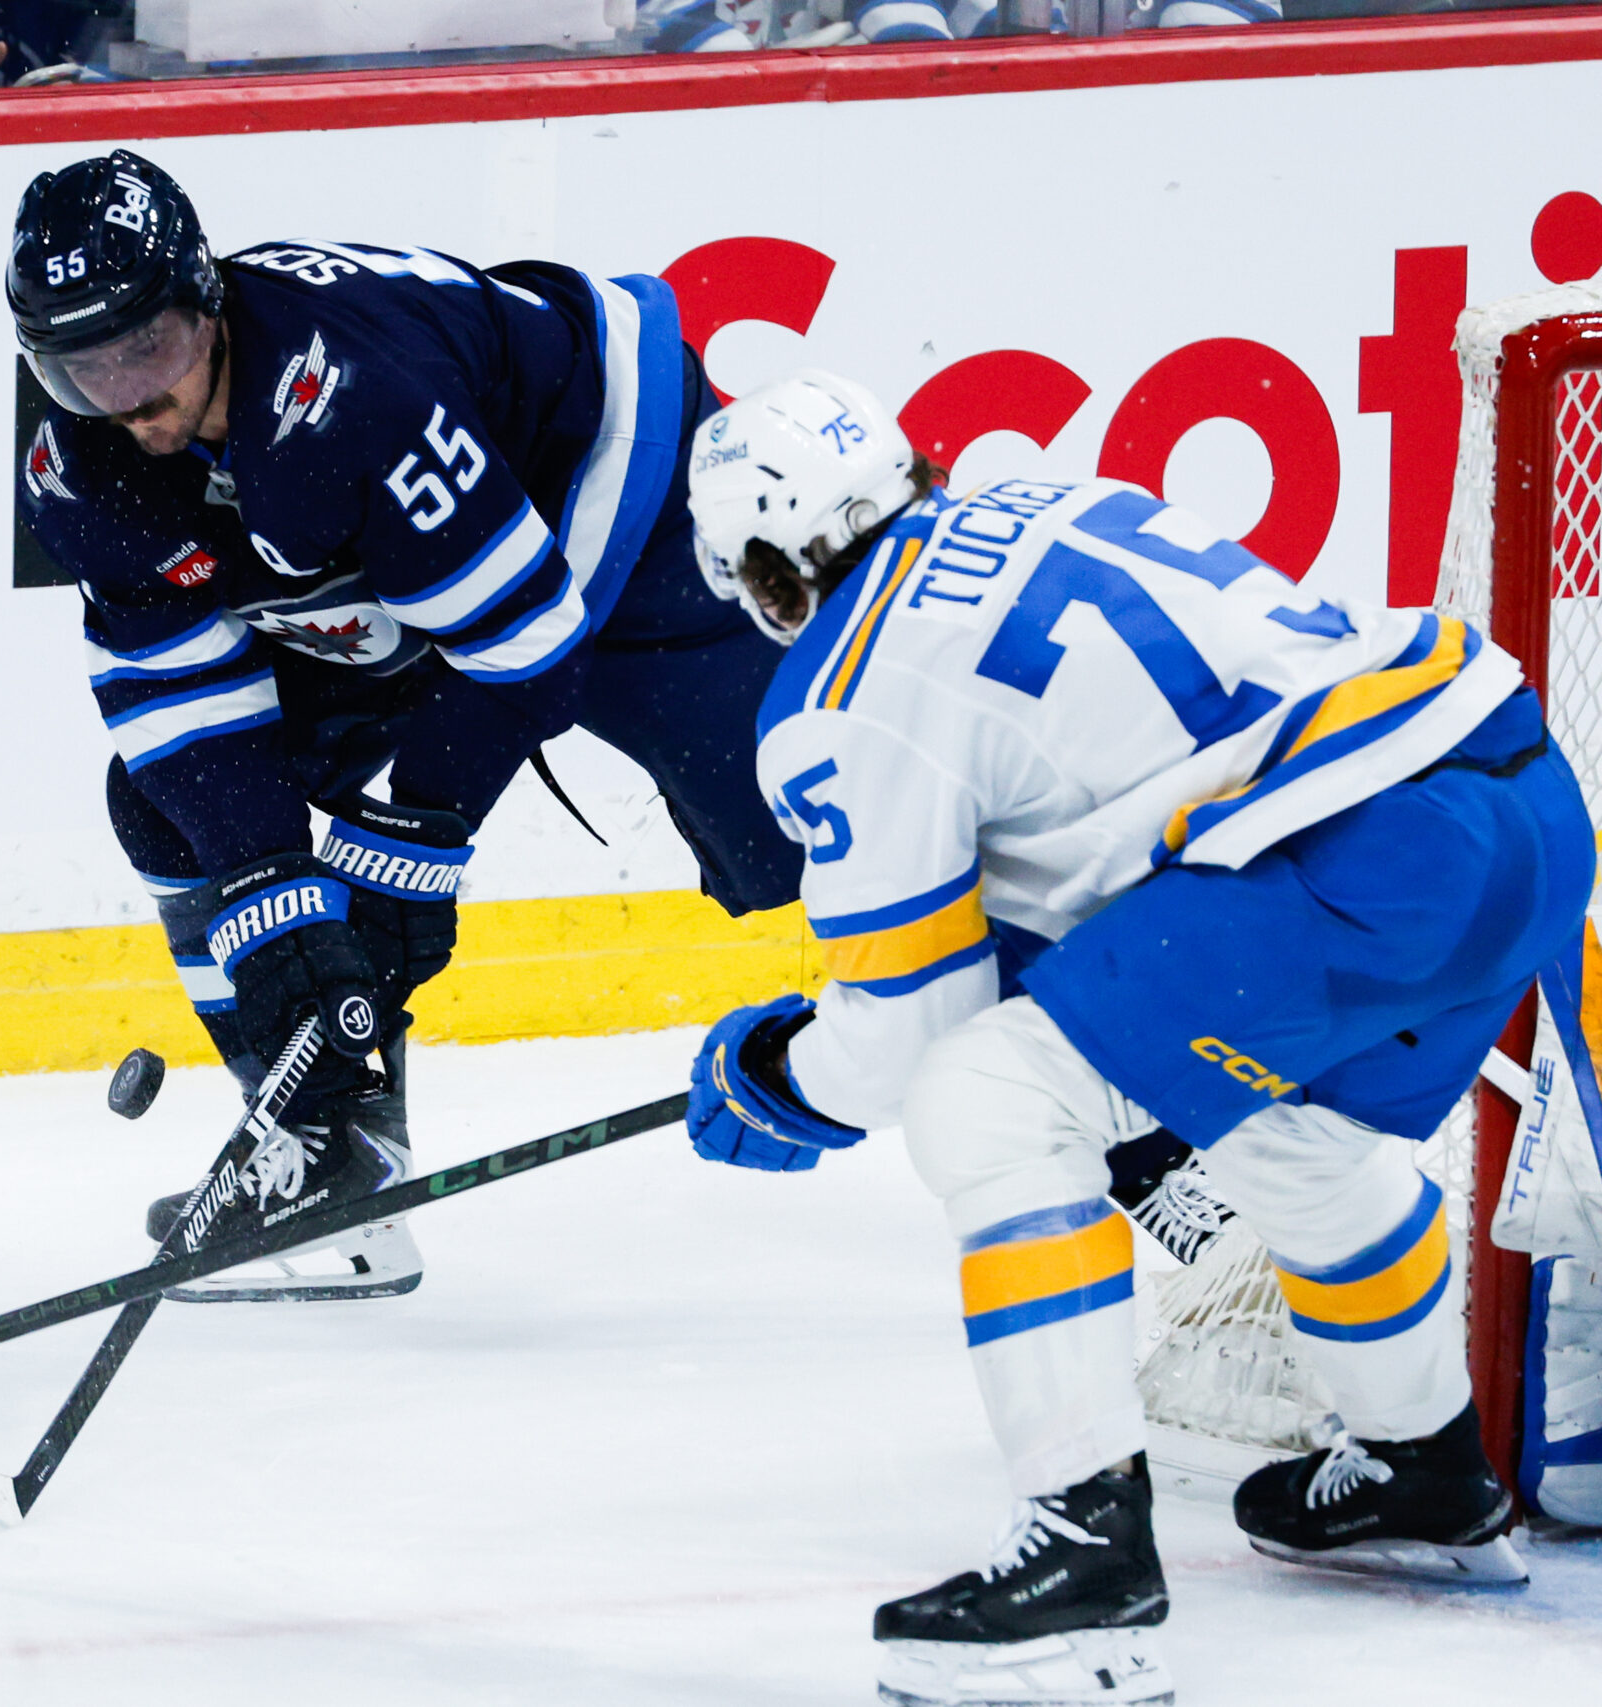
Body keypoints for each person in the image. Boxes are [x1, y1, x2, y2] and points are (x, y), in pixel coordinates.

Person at [680, 370, 1591, 1705]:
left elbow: (914, 1033)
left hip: (1357, 861)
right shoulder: (1053, 491)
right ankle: (1427, 1469)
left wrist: (777, 1076)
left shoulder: (841, 690)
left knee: (988, 1100)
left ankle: (1082, 1561)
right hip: (1520, 801)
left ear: (764, 570)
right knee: (1295, 1124)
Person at [9, 150, 800, 1300]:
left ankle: (1110, 1080)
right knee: (172, 811)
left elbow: (523, 656)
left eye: (153, 351)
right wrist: (276, 905)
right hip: (409, 547)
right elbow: (179, 702)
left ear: (208, 299)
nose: (131, 401)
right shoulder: (82, 465)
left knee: (813, 822)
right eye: (85, 371)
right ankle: (331, 1158)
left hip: (609, 467)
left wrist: (399, 870)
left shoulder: (350, 396)